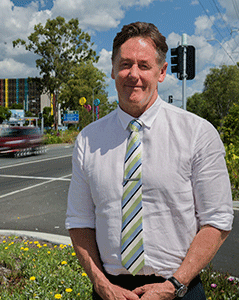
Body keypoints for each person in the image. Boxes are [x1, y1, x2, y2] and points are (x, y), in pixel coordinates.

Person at [65, 21, 234, 300]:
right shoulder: (88, 139)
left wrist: (173, 285)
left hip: (179, 289)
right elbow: (79, 221)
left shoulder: (197, 133)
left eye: (144, 65)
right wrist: (101, 283)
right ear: (112, 69)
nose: (133, 74)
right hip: (110, 291)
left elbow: (217, 220)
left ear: (162, 72)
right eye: (125, 64)